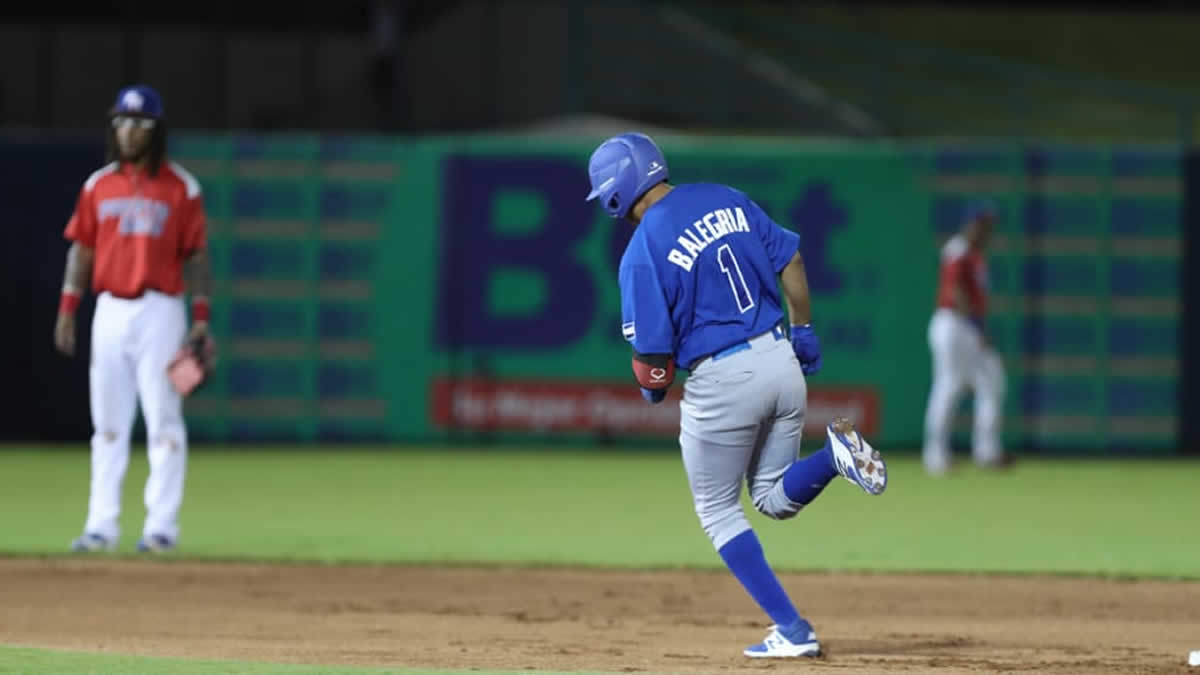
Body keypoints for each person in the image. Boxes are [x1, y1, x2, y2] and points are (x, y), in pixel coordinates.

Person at [586, 132, 887, 659]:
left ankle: (793, 630)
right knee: (771, 498)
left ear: (613, 193)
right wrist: (805, 328)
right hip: (780, 359)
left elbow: (653, 361)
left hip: (724, 378)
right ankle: (836, 456)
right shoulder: (726, 196)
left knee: (719, 511)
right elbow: (790, 259)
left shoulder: (641, 251)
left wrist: (652, 389)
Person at [54, 85, 213, 554]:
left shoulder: (182, 187)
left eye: (139, 123)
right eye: (122, 121)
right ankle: (101, 526)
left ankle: (161, 528)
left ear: (156, 130)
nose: (128, 131)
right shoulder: (98, 185)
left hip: (161, 308)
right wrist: (68, 308)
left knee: (164, 419)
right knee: (107, 423)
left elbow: (197, 257)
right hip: (110, 310)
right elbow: (81, 251)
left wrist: (200, 319)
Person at [921, 200, 1010, 475]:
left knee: (991, 380)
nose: (987, 230)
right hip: (954, 324)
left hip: (966, 326)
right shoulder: (958, 250)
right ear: (972, 224)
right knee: (949, 385)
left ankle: (987, 451)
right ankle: (936, 455)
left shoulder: (976, 255)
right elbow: (954, 290)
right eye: (983, 224)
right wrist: (976, 327)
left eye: (989, 225)